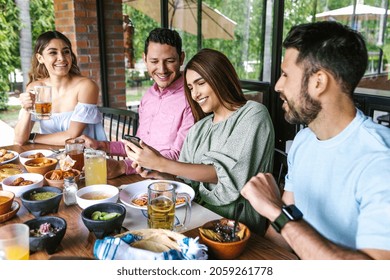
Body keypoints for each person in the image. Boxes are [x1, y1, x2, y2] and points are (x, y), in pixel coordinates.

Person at [240, 21, 390, 259]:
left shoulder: (380, 159)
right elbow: (281, 235)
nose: (278, 85)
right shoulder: (304, 140)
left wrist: (277, 212)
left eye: (286, 74)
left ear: (318, 82)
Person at [124, 48, 275, 235]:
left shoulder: (253, 114)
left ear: (220, 77)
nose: (194, 94)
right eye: (190, 88)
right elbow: (189, 183)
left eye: (200, 83)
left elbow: (226, 175)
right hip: (196, 218)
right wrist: (160, 172)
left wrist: (163, 163)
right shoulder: (199, 129)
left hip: (237, 228)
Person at [80, 28, 194, 179]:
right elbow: (139, 147)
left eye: (170, 61)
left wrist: (123, 166)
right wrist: (102, 146)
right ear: (145, 59)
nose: (162, 69)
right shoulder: (148, 97)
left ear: (181, 58)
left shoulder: (192, 98)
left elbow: (178, 156)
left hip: (168, 183)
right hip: (138, 177)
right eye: (154, 61)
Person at [14, 31, 106, 146]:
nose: (61, 58)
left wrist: (32, 136)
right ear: (40, 58)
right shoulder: (36, 88)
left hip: (84, 157)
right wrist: (27, 110)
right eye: (53, 53)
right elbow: (19, 140)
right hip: (49, 158)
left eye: (66, 52)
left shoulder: (86, 86)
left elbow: (72, 136)